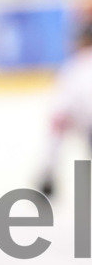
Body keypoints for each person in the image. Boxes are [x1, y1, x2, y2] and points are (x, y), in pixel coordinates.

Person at [37, 20, 92, 198]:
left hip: (83, 118)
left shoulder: (73, 66)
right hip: (86, 120)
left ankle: (48, 179)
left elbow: (61, 106)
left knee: (56, 133)